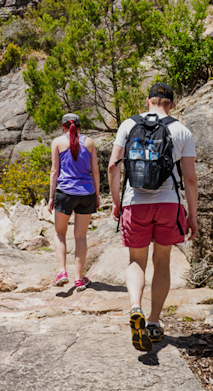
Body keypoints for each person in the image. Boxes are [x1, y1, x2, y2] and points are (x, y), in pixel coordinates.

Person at [108, 82, 198, 352]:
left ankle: (135, 306)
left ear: (147, 102)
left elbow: (113, 167)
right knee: (162, 261)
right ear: (172, 104)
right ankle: (154, 322)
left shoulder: (128, 125)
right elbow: (190, 179)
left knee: (137, 260)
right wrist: (191, 214)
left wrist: (116, 202)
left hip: (135, 203)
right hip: (169, 204)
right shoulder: (181, 130)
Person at [48, 113, 100, 291]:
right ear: (79, 126)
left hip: (65, 193)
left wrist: (50, 197)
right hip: (87, 193)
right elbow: (95, 172)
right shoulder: (91, 143)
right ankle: (79, 279)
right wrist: (98, 195)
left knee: (59, 233)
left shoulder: (57, 142)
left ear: (63, 126)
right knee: (80, 236)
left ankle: (62, 272)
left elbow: (55, 171)